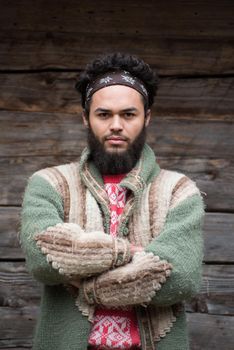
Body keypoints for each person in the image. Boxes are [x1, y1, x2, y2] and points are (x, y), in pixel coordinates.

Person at [20, 52, 204, 350]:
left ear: (147, 118)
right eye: (104, 114)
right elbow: (43, 260)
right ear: (86, 117)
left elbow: (180, 277)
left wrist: (85, 276)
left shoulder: (178, 190)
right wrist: (132, 254)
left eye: (128, 114)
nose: (116, 125)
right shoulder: (49, 183)